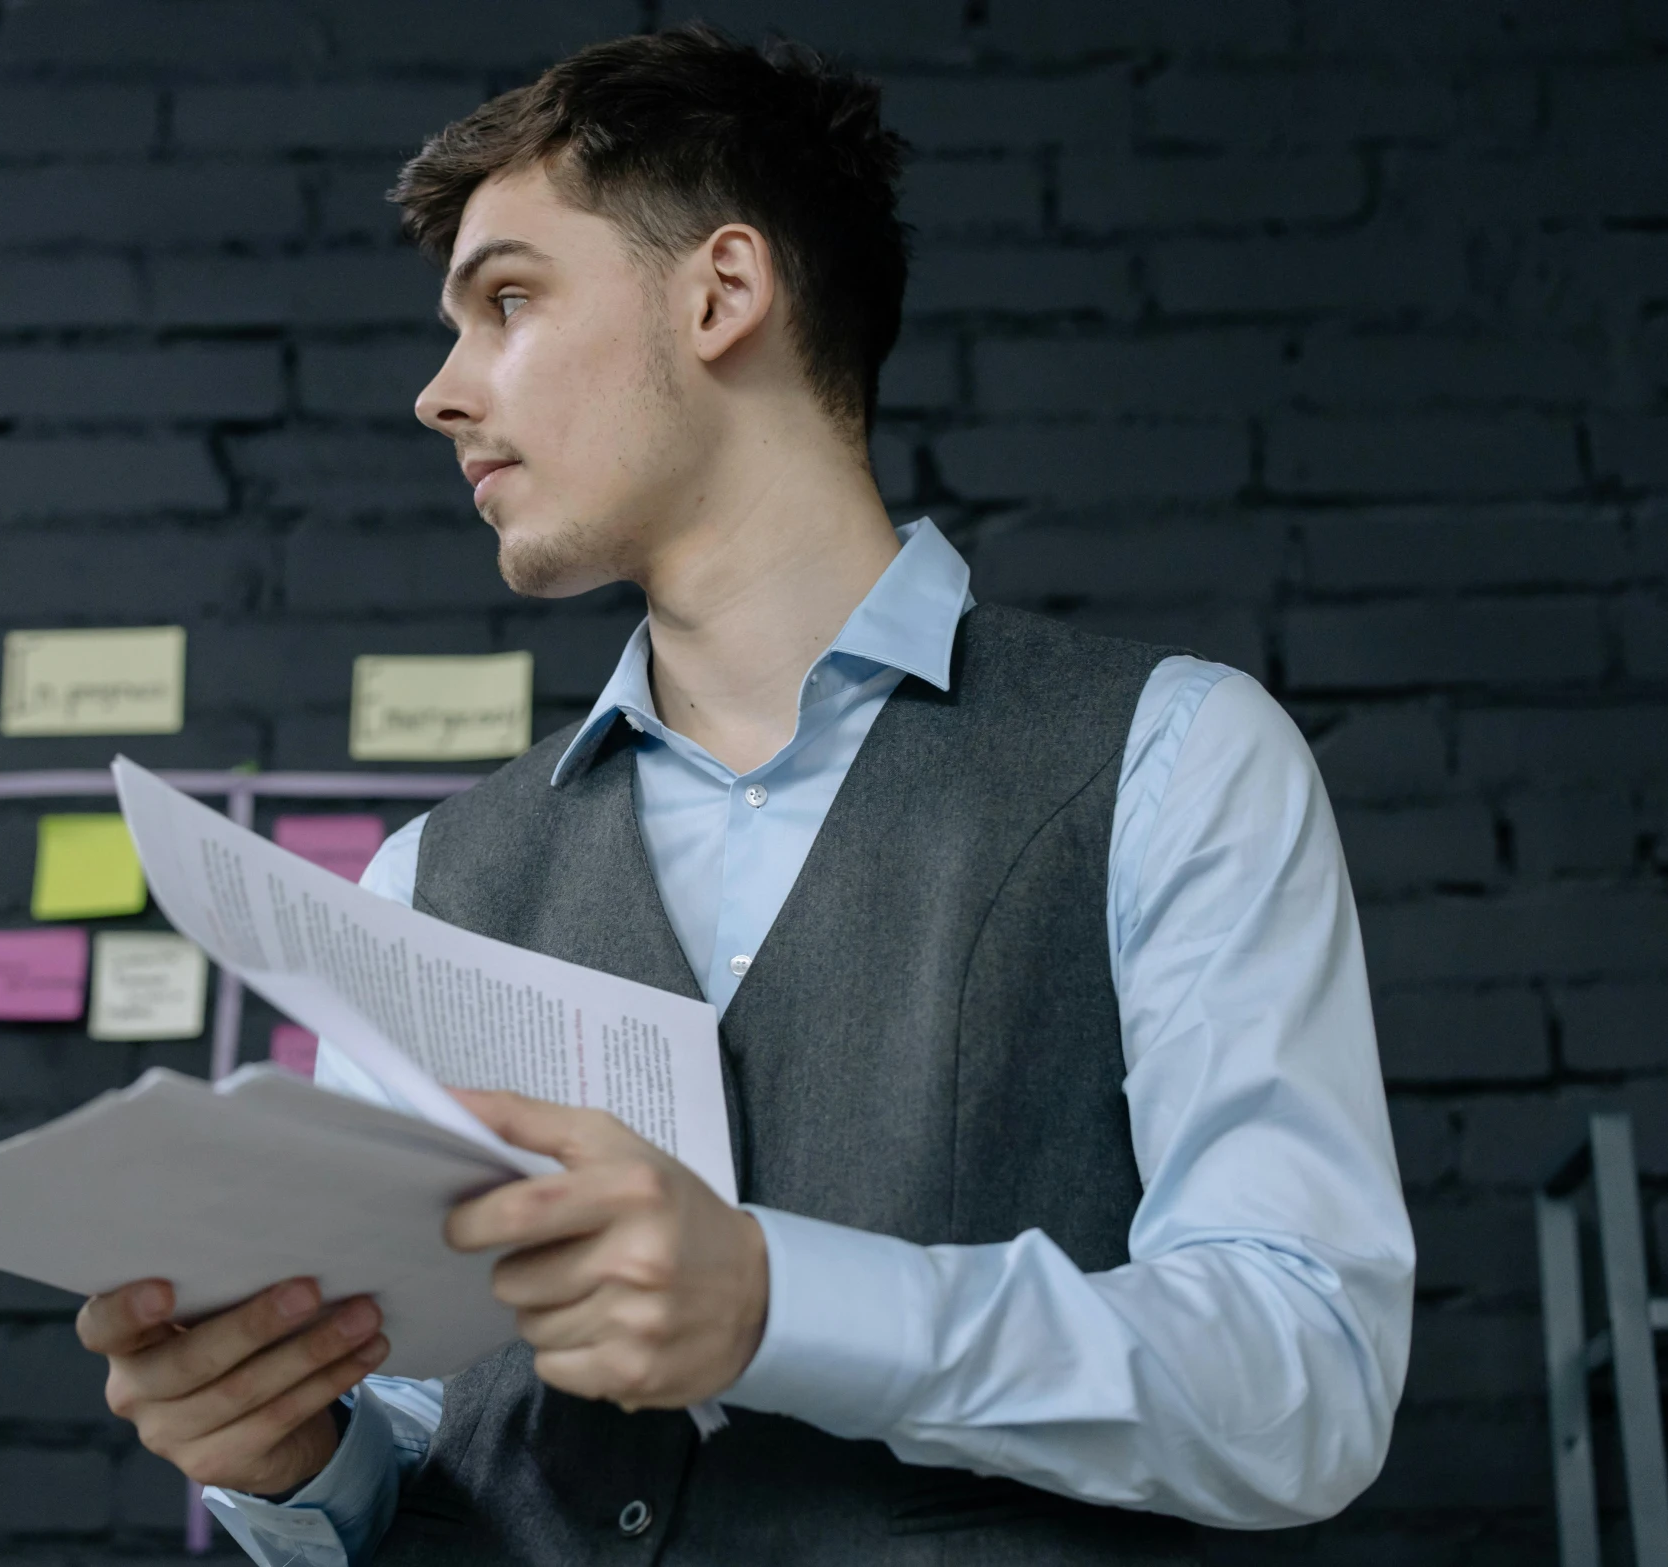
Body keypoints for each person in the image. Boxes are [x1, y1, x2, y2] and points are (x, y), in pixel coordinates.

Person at [73, 26, 1413, 1565]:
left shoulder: (1171, 761)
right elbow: (424, 1451)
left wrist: (778, 1302)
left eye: (506, 300)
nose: (440, 393)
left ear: (721, 292)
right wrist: (292, 1456)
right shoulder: (425, 877)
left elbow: (1306, 1379)